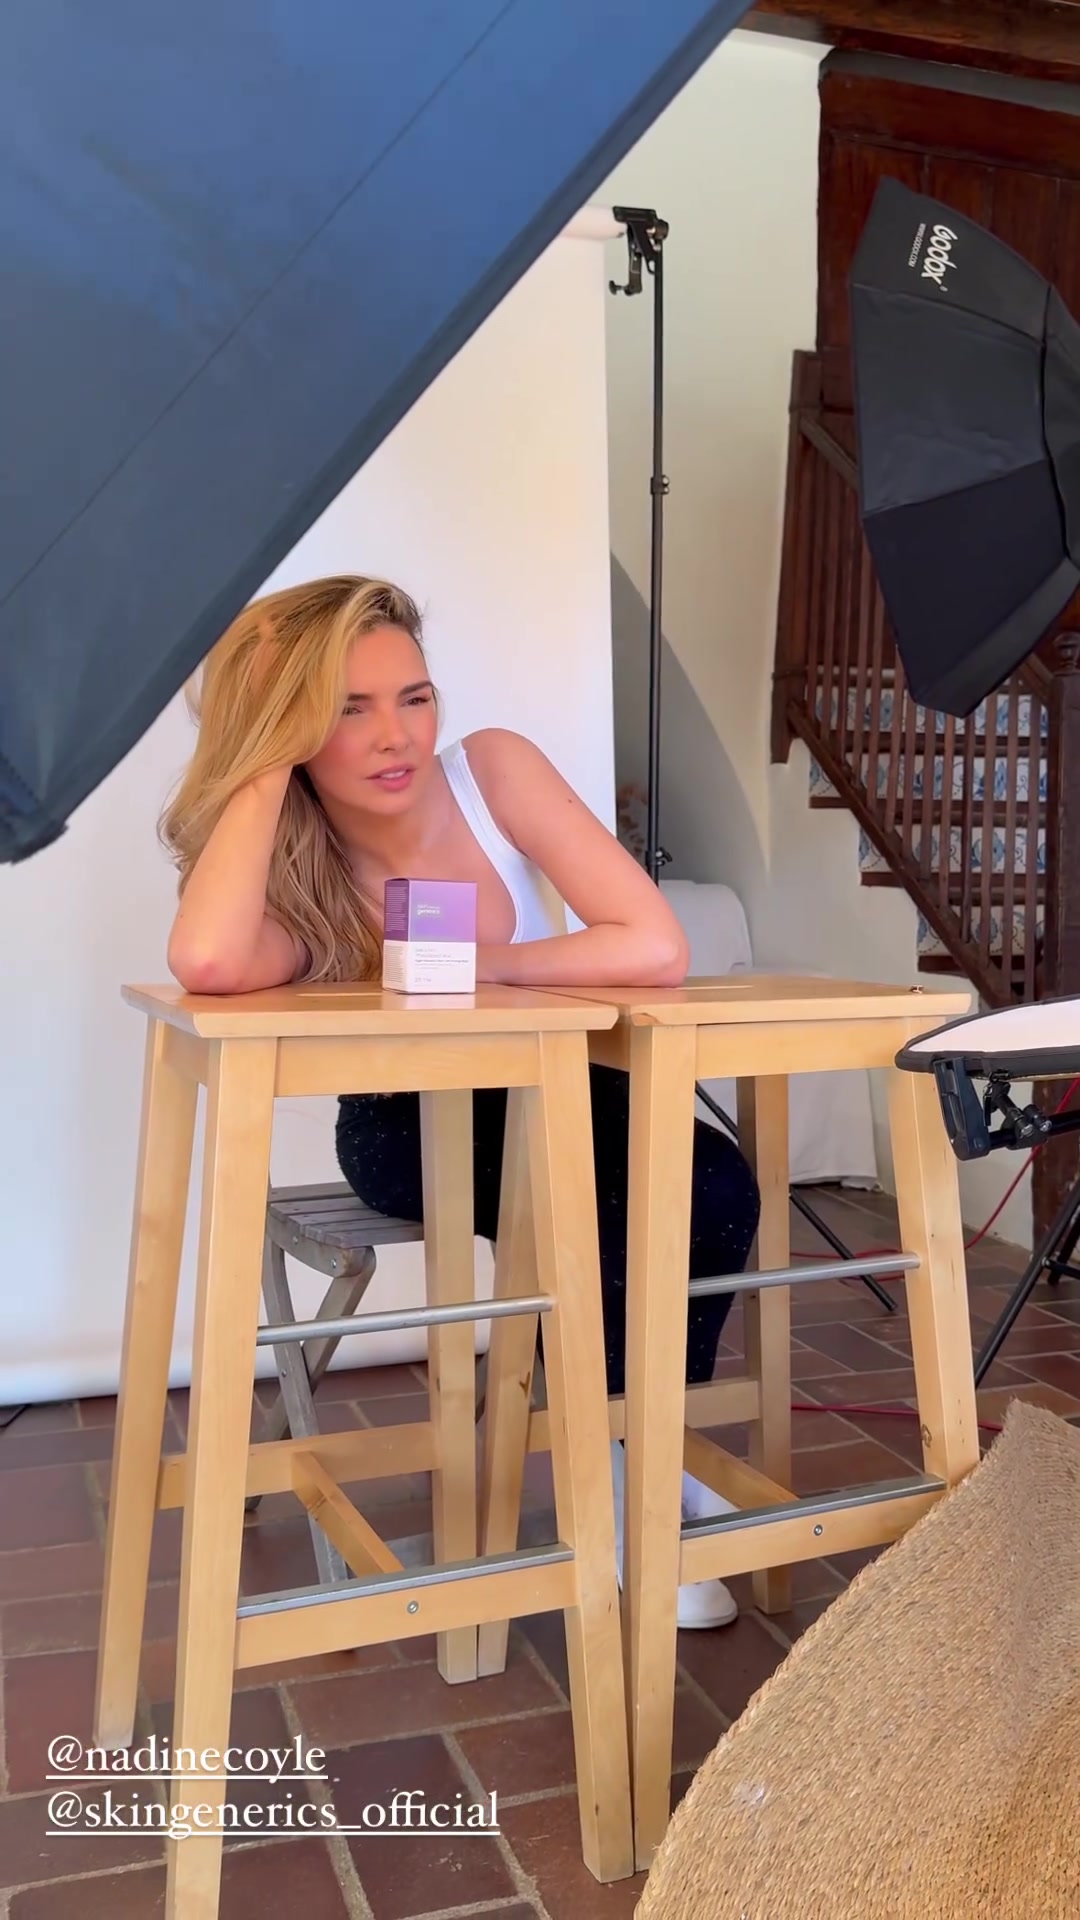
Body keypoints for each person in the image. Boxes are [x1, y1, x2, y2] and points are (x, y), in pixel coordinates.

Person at [162, 573, 760, 1628]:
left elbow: (652, 943)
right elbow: (208, 962)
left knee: (710, 1181)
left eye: (413, 697)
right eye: (347, 708)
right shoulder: (297, 860)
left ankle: (636, 1459)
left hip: (548, 1087)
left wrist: (487, 965)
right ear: (292, 726)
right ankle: (627, 1483)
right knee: (600, 1198)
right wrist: (260, 760)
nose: (395, 735)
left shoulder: (493, 772)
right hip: (403, 1123)